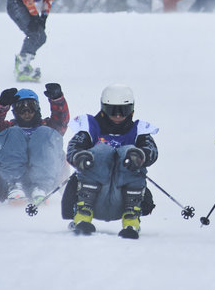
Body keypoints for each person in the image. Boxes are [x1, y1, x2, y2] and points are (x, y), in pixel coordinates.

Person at [63, 84, 159, 238]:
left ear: (132, 110)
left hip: (123, 197)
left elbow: (152, 151)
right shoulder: (90, 126)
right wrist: (80, 157)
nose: (118, 116)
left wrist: (140, 157)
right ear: (103, 109)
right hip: (93, 195)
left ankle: (131, 218)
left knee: (129, 152)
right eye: (112, 110)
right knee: (102, 150)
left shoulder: (139, 130)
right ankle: (82, 214)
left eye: (123, 111)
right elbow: (74, 147)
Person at [0, 85, 69, 205]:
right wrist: (2, 105)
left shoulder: (47, 127)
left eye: (31, 107)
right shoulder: (10, 129)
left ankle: (40, 188)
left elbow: (61, 121)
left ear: (37, 108)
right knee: (13, 133)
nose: (27, 112)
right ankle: (15, 185)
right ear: (15, 111)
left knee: (45, 133)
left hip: (46, 180)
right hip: (12, 179)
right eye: (21, 108)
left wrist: (57, 99)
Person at [5, 0, 61, 81]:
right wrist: (35, 17)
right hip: (15, 3)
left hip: (27, 5)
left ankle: (24, 61)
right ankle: (22, 67)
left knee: (41, 36)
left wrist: (44, 16)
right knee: (34, 32)